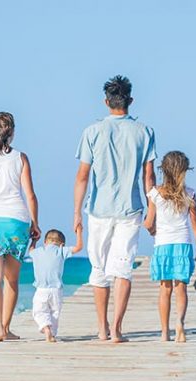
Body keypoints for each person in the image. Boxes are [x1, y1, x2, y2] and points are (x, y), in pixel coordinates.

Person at [74, 75, 157, 343]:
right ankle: (117, 330)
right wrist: (152, 210)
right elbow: (149, 177)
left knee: (98, 269)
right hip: (131, 209)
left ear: (106, 101)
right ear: (130, 101)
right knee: (122, 269)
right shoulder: (145, 132)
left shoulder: (92, 131)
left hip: (98, 209)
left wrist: (77, 212)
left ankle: (101, 328)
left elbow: (83, 176)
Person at [0, 112, 40, 342]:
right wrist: (35, 224)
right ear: (11, 133)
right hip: (16, 222)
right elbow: (31, 196)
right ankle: (6, 327)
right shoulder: (21, 158)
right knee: (11, 280)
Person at [144, 151, 196, 342]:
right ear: (184, 171)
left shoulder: (155, 193)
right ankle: (180, 321)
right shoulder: (190, 193)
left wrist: (152, 230)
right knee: (181, 288)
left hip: (163, 245)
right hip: (183, 244)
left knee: (165, 289)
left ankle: (165, 332)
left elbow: (148, 223)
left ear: (163, 169)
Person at [29, 227, 83, 342]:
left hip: (41, 289)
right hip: (56, 290)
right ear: (62, 244)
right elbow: (79, 248)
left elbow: (30, 251)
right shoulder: (61, 251)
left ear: (45, 242)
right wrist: (79, 232)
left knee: (39, 311)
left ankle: (45, 327)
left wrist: (34, 240)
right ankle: (52, 333)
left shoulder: (38, 252)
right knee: (55, 312)